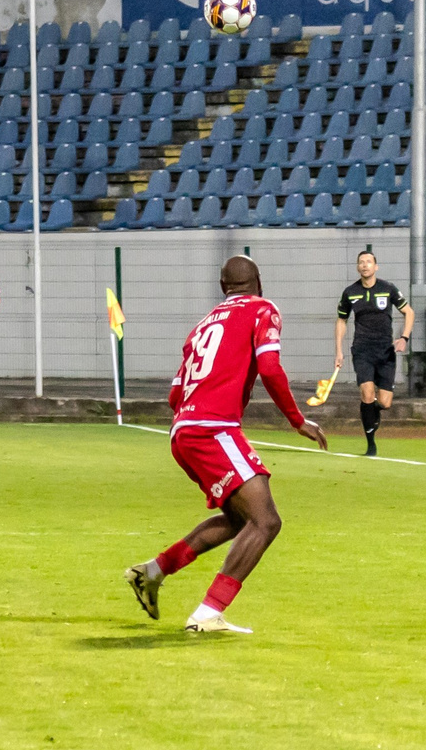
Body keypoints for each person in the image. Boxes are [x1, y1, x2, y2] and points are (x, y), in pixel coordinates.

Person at [126, 255, 327, 635]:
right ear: (259, 282)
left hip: (183, 430)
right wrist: (297, 420)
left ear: (223, 288)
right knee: (266, 521)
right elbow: (269, 367)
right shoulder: (263, 310)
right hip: (213, 428)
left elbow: (174, 395)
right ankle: (207, 613)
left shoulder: (202, 325)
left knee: (240, 519)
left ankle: (151, 572)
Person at [332, 247, 412, 457]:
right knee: (367, 394)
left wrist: (404, 337)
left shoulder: (388, 289)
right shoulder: (350, 292)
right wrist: (339, 351)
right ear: (358, 267)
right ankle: (371, 444)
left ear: (376, 267)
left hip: (386, 352)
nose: (365, 265)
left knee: (384, 402)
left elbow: (409, 312)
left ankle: (371, 411)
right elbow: (342, 320)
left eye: (369, 261)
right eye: (361, 262)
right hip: (362, 351)